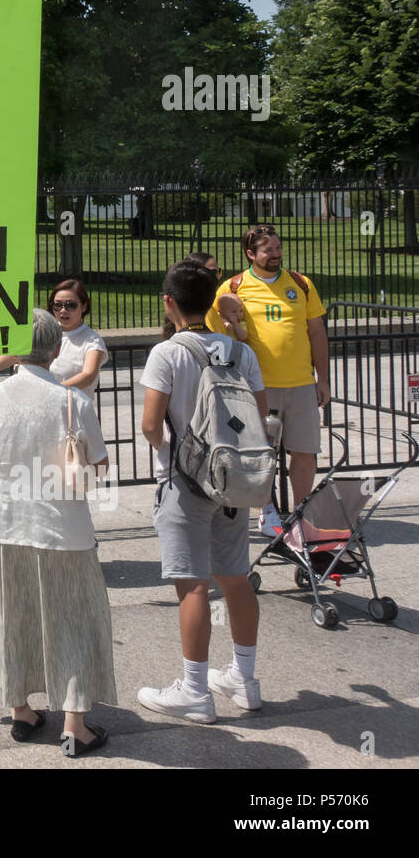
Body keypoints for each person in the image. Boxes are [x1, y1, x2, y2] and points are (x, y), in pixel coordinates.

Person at [0, 309, 115, 757]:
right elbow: (98, 464)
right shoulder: (75, 401)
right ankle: (75, 723)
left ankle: (20, 708)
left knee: (14, 616)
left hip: (5, 522)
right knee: (72, 619)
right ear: (56, 349)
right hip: (62, 528)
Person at [138, 260, 268, 723]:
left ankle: (195, 689)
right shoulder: (240, 352)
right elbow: (261, 413)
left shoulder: (168, 353)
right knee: (235, 577)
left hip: (185, 480)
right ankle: (245, 680)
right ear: (212, 301)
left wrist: (173, 449)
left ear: (169, 302)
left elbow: (152, 425)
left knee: (192, 584)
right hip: (233, 481)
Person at [206, 226, 328, 510]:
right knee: (261, 455)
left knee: (305, 452)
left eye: (278, 248)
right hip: (258, 387)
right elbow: (218, 337)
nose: (275, 254)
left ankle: (301, 513)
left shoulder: (301, 283)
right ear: (251, 254)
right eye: (267, 250)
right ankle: (268, 511)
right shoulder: (232, 288)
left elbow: (317, 332)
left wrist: (323, 380)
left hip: (300, 384)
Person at [0, 279, 108, 403]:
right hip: (36, 407)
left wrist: (52, 391)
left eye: (71, 305)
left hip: (72, 412)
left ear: (83, 306)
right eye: (58, 305)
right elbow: (16, 354)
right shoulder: (43, 330)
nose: (63, 310)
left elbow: (88, 375)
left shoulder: (92, 340)